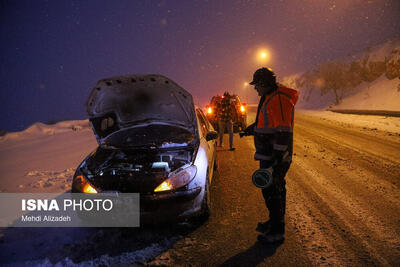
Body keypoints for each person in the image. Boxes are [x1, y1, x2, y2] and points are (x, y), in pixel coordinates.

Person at [242, 67, 298, 243]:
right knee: (270, 190)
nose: (255, 88)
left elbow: (283, 130)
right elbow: (267, 121)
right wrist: (252, 129)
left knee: (274, 191)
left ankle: (277, 231)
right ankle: (274, 222)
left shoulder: (280, 99)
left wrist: (277, 157)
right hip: (268, 154)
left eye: (257, 85)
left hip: (276, 156)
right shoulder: (269, 97)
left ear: (265, 83)